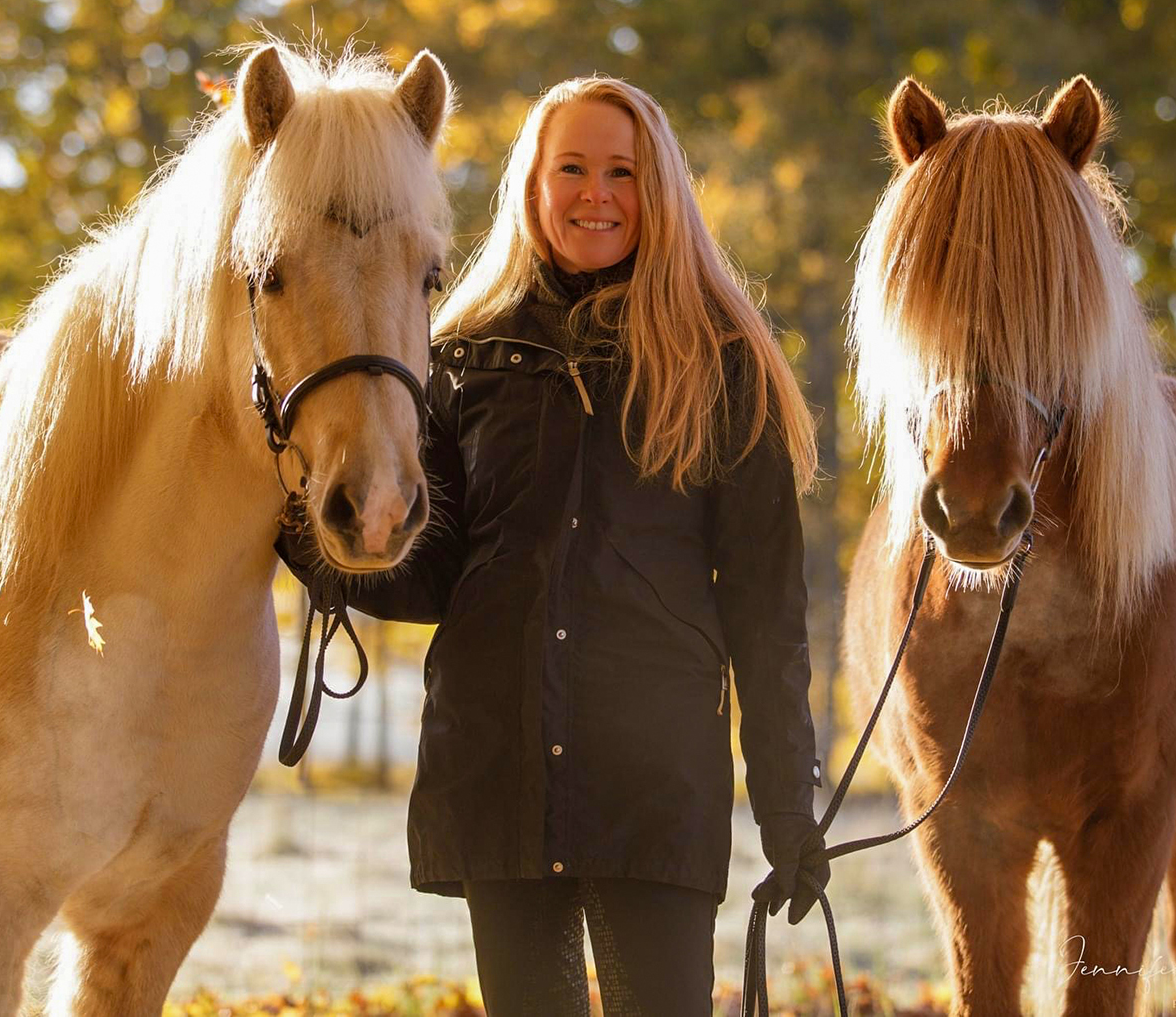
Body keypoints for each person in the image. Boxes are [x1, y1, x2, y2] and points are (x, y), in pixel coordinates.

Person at [278, 76, 828, 1016]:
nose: (596, 194)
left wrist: (787, 810)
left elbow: (765, 612)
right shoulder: (456, 356)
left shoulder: (723, 359)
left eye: (623, 171)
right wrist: (306, 531)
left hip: (653, 784)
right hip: (500, 768)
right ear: (531, 185)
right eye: (571, 168)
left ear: (659, 190)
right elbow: (439, 575)